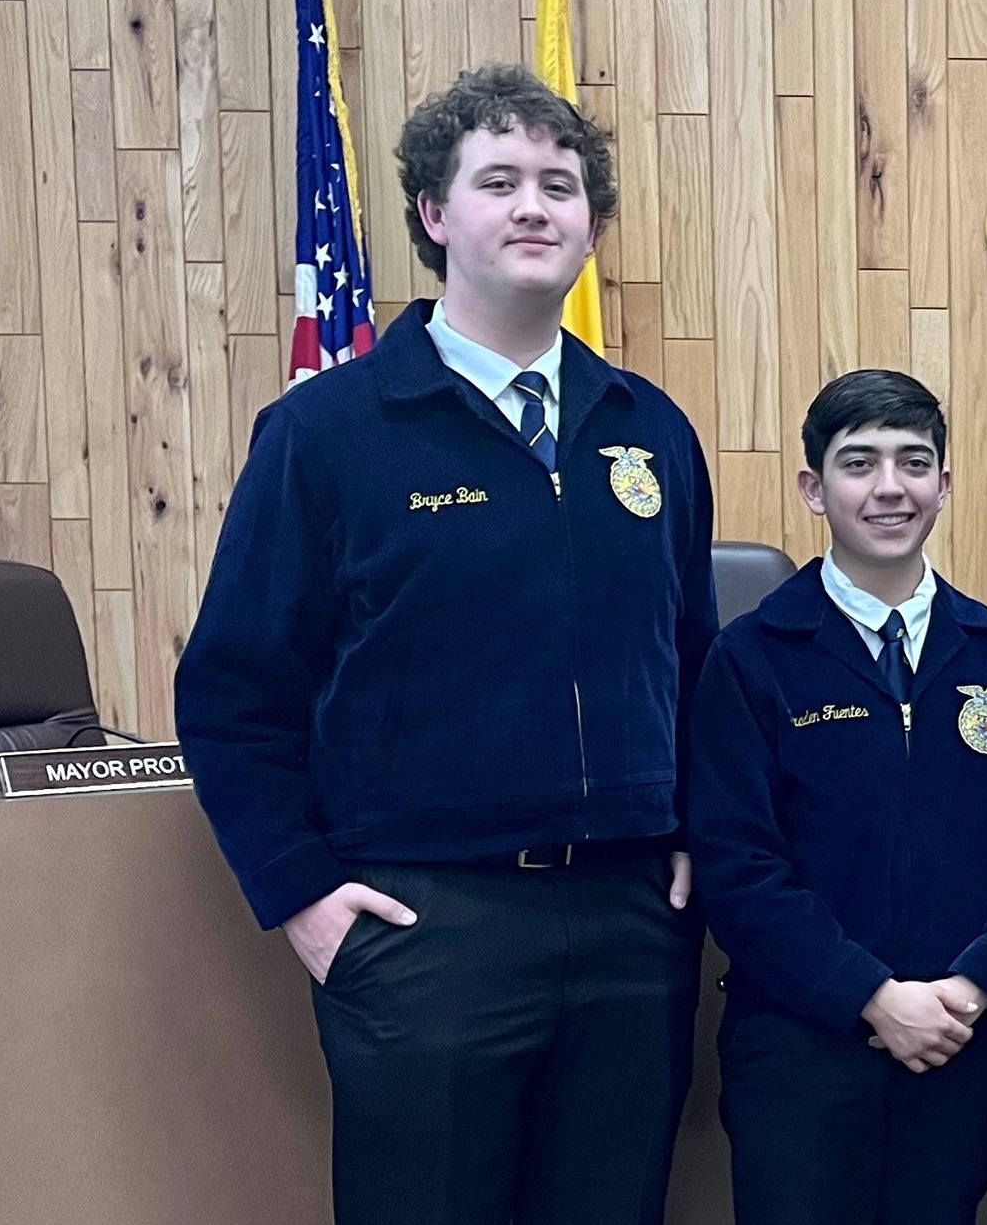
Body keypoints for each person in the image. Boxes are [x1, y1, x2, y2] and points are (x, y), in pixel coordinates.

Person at [177, 62, 716, 1225]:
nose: (535, 206)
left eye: (562, 185)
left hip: (628, 918)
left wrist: (691, 827)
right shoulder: (328, 433)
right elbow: (233, 693)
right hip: (425, 924)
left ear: (590, 223)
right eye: (501, 180)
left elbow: (692, 657)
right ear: (434, 215)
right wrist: (303, 896)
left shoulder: (649, 432)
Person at [687, 368, 987, 1225]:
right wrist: (871, 995)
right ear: (815, 488)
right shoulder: (752, 659)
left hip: (960, 1047)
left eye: (914, 462)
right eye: (860, 463)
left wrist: (971, 991)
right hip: (800, 1050)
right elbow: (738, 867)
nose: (890, 488)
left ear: (945, 484)